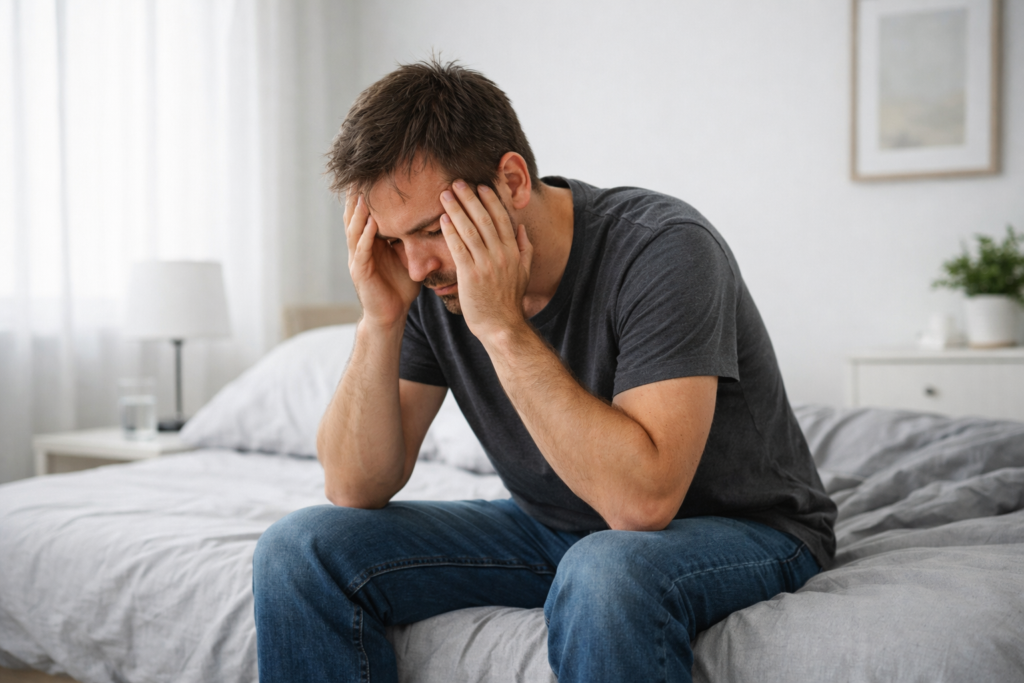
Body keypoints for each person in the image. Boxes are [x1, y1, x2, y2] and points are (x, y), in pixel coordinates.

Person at [252, 59, 836, 683]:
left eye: (430, 230)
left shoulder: (664, 248)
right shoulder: (424, 282)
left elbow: (642, 504)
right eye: (394, 241)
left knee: (606, 569)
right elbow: (354, 487)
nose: (417, 265)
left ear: (511, 180)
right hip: (557, 527)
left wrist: (503, 328)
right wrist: (380, 319)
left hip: (747, 528)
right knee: (299, 550)